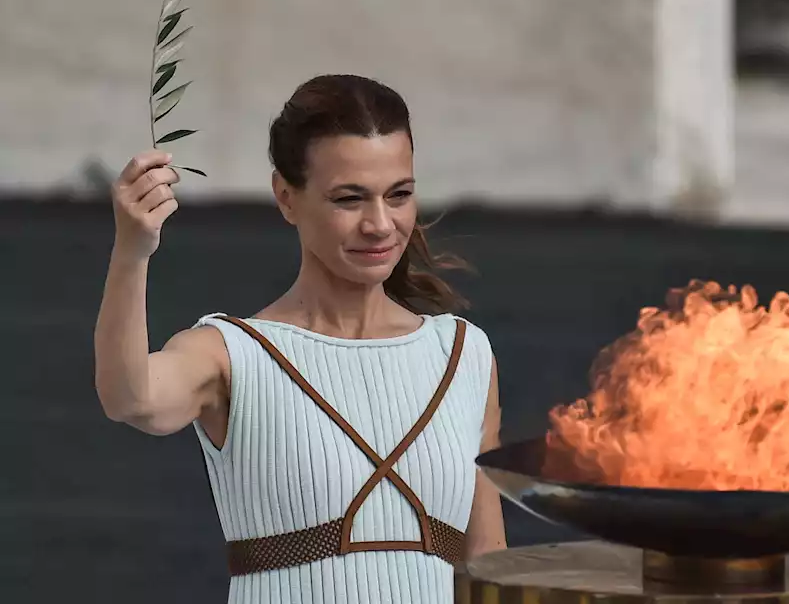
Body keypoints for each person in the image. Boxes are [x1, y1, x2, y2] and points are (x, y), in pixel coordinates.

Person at [94, 74, 507, 603]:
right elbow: (130, 398)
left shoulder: (465, 355)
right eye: (349, 199)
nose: (380, 223)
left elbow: (487, 564)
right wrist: (132, 252)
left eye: (398, 194)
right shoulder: (231, 352)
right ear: (286, 198)